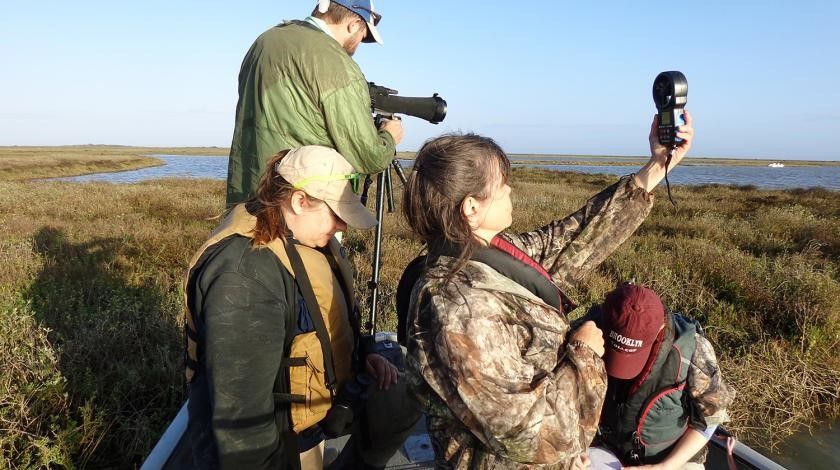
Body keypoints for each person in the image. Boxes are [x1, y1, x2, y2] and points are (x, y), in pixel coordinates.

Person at [399, 112, 695, 469]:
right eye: (501, 183)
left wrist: (656, 167)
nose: (510, 189)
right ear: (472, 208)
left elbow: (570, 239)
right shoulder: (461, 311)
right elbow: (531, 436)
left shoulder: (486, 253)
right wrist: (583, 355)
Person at [185, 146, 419, 469]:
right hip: (272, 449)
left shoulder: (302, 239)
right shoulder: (244, 280)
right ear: (299, 201)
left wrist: (363, 355)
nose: (342, 226)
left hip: (304, 434)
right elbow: (243, 429)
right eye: (335, 214)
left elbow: (311, 326)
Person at [226, 0, 404, 206]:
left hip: (247, 195)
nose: (361, 42)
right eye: (364, 35)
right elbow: (369, 156)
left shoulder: (264, 41)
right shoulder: (337, 62)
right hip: (301, 207)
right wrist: (389, 136)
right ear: (354, 24)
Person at [589, 284, 735, 470]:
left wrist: (665, 466)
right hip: (608, 448)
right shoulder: (588, 330)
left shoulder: (695, 349)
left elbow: (712, 420)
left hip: (674, 458)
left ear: (660, 329)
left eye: (633, 355)